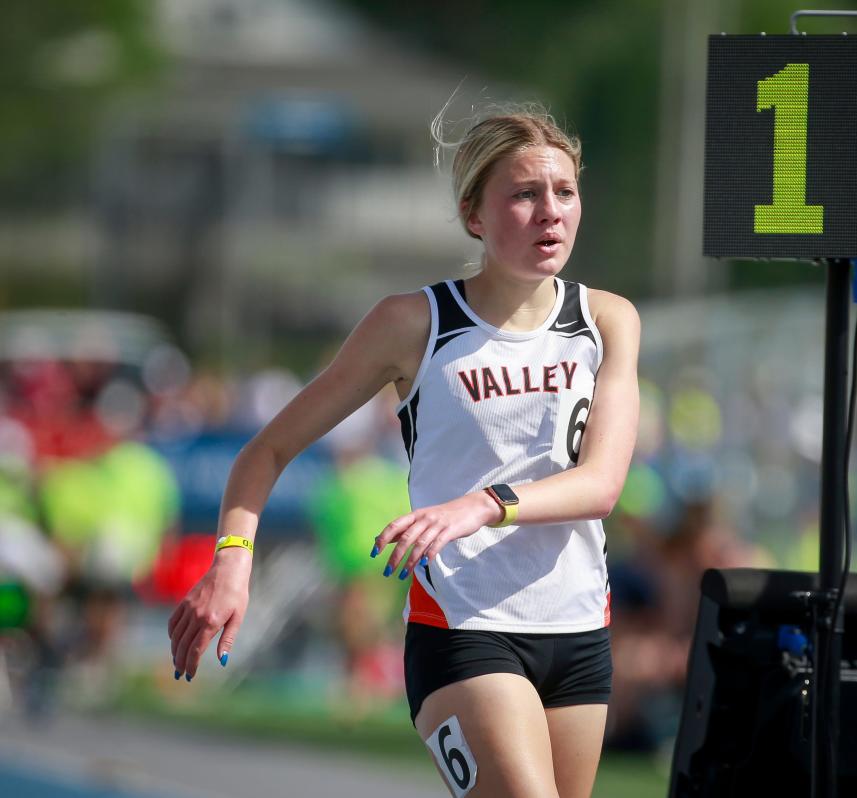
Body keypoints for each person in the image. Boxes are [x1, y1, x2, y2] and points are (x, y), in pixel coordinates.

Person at [168, 104, 641, 798]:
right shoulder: (413, 323)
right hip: (463, 626)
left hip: (577, 626)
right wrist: (232, 565)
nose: (551, 213)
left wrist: (482, 506)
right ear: (473, 214)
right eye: (525, 194)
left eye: (564, 192)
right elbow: (265, 453)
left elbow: (600, 485)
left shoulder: (606, 319)